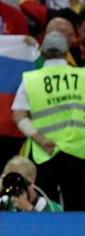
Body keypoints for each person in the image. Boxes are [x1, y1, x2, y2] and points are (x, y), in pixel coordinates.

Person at [11, 31, 85, 210]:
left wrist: (41, 140)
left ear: (43, 54)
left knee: (45, 208)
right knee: (79, 207)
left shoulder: (30, 80)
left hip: (44, 154)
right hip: (78, 152)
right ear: (66, 53)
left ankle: (50, 231)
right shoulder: (82, 76)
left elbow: (18, 116)